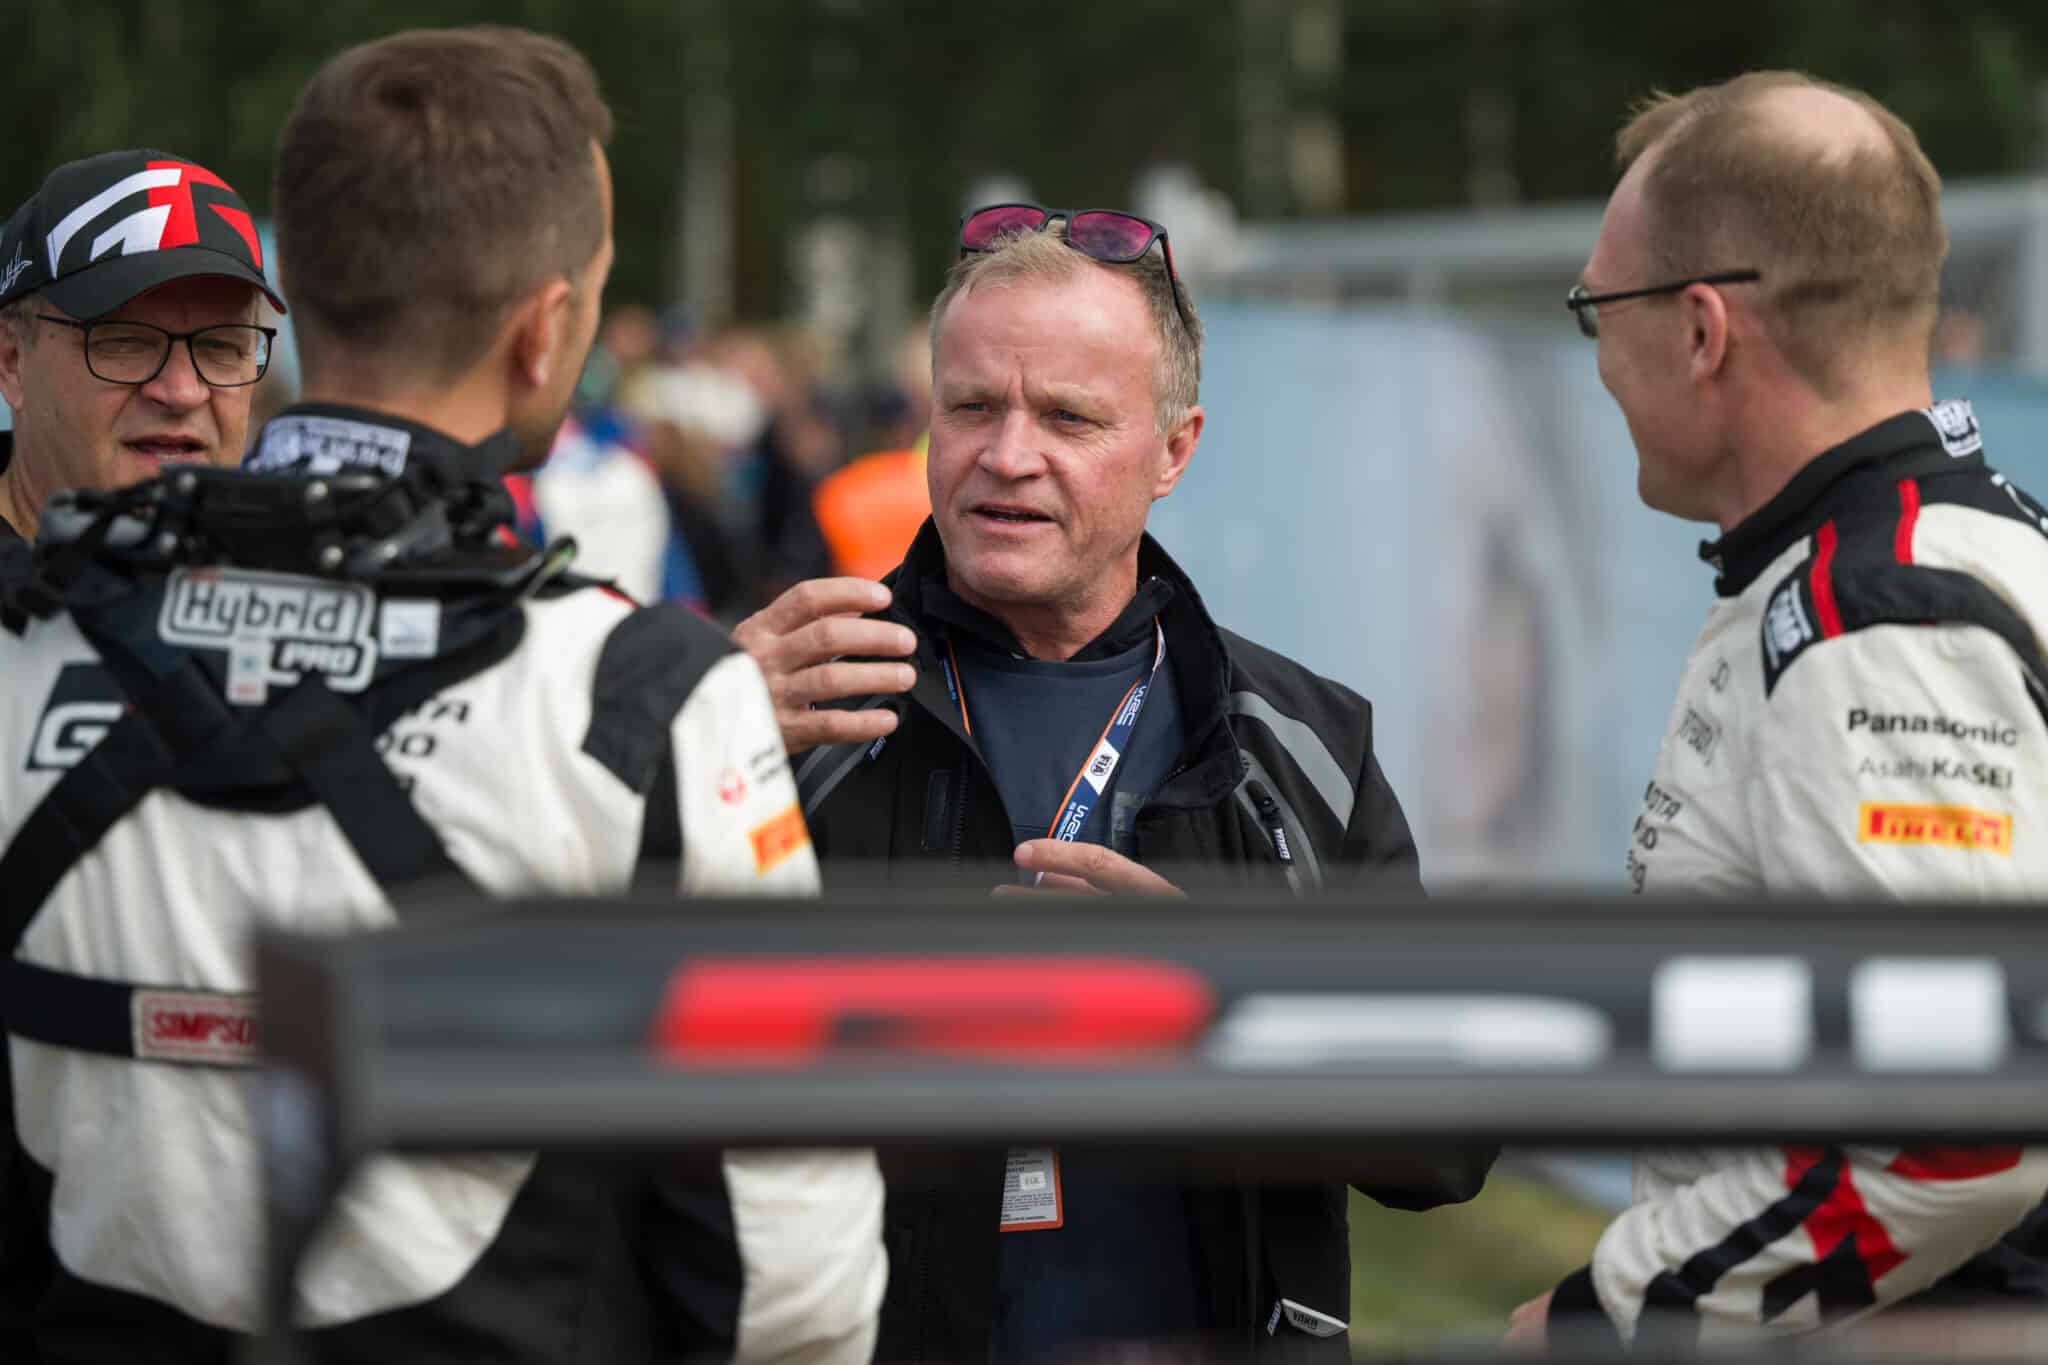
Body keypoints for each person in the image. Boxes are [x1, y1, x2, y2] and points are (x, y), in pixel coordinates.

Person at [0, 25, 883, 1363]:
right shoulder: (643, 696)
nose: (176, 384)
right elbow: (788, 1293)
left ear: (296, 301)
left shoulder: (31, 635)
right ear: (542, 332)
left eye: (210, 339)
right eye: (127, 340)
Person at [734, 204, 1493, 1361]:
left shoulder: (1297, 742)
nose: (1007, 455)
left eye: (1068, 417)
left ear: (1172, 451)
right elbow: (580, 1033)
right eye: (970, 407)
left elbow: (1450, 1139)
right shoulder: (795, 701)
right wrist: (683, 748)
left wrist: (1222, 1009)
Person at [1508, 71, 2048, 1352]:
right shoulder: (1919, 555)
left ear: (1700, 330)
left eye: (1595, 310)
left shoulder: (1882, 616)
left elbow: (1953, 1130)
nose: (1598, 357)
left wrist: (1610, 1318)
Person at [0, 149, 283, 545]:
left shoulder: (288, 563)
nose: (183, 393)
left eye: (220, 346)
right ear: (12, 361)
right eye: (126, 342)